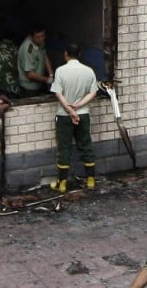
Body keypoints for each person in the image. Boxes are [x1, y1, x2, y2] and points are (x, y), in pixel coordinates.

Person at [49, 43, 100, 192]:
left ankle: (62, 183)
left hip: (64, 115)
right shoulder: (88, 71)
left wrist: (70, 110)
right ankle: (90, 180)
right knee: (86, 145)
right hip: (83, 114)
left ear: (65, 54)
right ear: (80, 54)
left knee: (64, 148)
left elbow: (58, 93)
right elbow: (93, 93)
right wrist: (78, 107)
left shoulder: (60, 71)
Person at [17, 22, 54, 97]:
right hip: (28, 88)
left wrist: (51, 74)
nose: (41, 39)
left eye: (43, 35)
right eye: (38, 37)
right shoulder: (28, 49)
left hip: (38, 84)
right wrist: (47, 80)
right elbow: (30, 74)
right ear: (31, 37)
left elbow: (45, 56)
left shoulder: (40, 42)